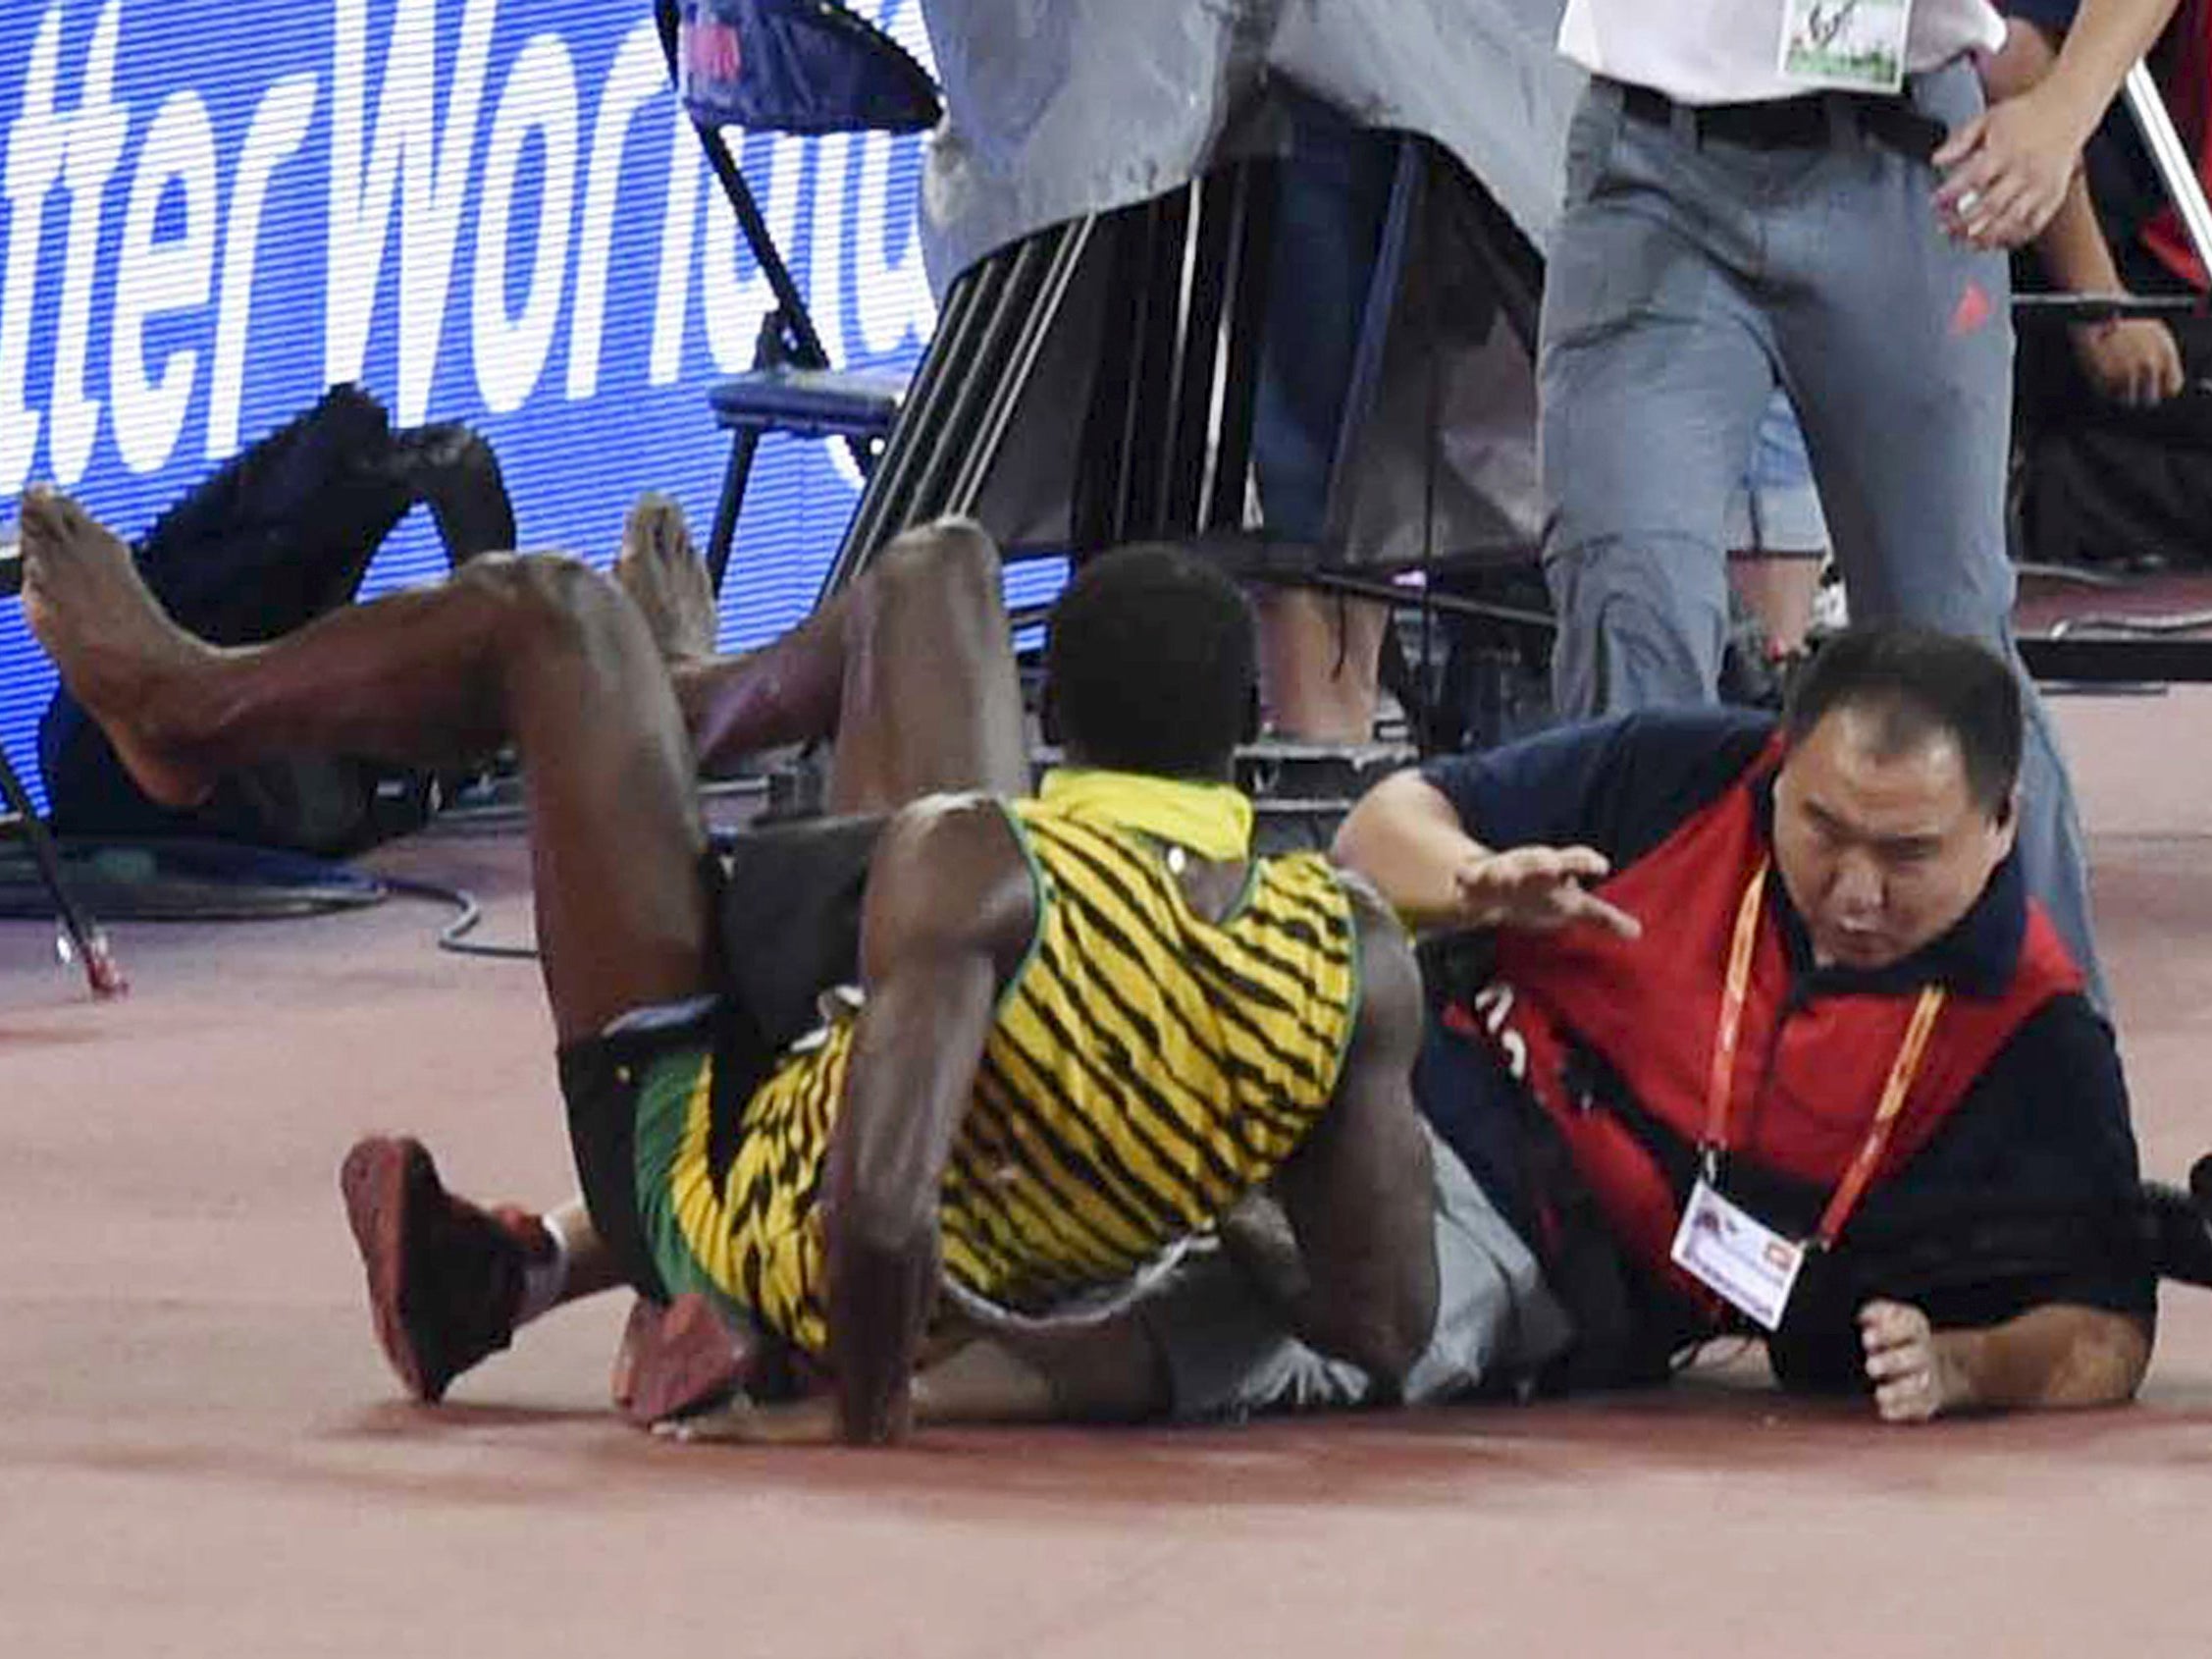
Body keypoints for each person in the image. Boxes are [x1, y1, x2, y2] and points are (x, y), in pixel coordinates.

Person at [16, 486, 1443, 1446]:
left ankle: (188, 708)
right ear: (1246, 728)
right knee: (934, 565)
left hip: (709, 1174)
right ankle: (671, 708)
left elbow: (876, 1218)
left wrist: (852, 1408)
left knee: (549, 611)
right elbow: (1384, 1318)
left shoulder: (987, 870)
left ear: (1049, 714)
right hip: (873, 1023)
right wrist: (1200, 1195)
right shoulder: (1347, 952)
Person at [1333, 627, 2155, 1421]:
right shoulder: (1685, 770)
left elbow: (2110, 1331)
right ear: (1784, 764)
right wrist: (1473, 881)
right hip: (1375, 1070)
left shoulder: (2037, 1035)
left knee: (1304, 1328)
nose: (1855, 893)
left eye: (1907, 855)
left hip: (1521, 1248)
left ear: (2003, 821)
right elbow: (1374, 830)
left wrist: (1963, 1367)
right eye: (1822, 831)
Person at [1535, 0, 2181, 1004]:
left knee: (1952, 655)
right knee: (1631, 597)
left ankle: (2061, 1097)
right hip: (1650, 169)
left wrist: (2064, 110)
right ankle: (1624, 1074)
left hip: (1910, 167)